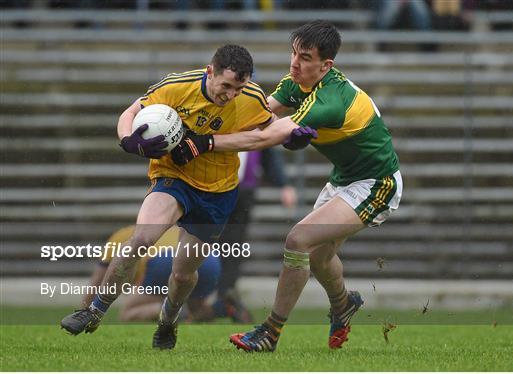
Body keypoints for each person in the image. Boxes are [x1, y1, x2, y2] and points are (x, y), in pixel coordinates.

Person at [171, 20, 402, 352]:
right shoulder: (296, 82)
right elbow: (257, 116)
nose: (295, 63)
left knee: (298, 240)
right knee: (321, 258)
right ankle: (343, 303)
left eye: (305, 57)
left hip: (377, 183)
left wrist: (204, 143)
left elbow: (267, 136)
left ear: (326, 66)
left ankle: (270, 332)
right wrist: (198, 120)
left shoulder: (330, 100)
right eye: (294, 53)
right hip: (344, 179)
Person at [60, 44, 306, 350]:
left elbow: (270, 130)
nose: (230, 94)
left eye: (238, 88)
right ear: (210, 72)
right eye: (226, 85)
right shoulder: (177, 86)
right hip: (172, 177)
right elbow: (132, 111)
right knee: (140, 240)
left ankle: (168, 321)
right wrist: (128, 141)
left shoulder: (252, 97)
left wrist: (292, 136)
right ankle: (94, 310)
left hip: (218, 191)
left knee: (183, 273)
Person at [212, 149, 297, 323]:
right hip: (214, 189)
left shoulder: (257, 123)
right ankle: (213, 297)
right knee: (210, 242)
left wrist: (284, 184)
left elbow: (269, 152)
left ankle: (224, 296)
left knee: (233, 246)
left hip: (244, 191)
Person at [82, 225, 221, 323]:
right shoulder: (176, 228)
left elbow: (97, 280)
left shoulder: (124, 235)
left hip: (165, 261)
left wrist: (84, 311)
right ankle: (222, 308)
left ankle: (167, 309)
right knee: (195, 306)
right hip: (210, 260)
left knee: (127, 313)